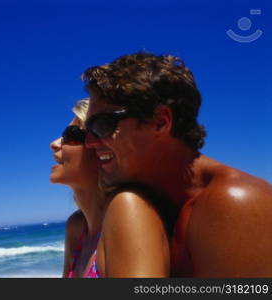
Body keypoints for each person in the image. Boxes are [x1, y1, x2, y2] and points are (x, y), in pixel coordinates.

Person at [82, 52, 272, 277]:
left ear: (160, 122)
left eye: (101, 124)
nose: (89, 142)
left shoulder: (235, 202)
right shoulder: (158, 204)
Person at [50, 99, 170, 277]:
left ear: (100, 147)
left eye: (72, 134)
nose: (54, 143)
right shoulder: (77, 226)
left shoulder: (130, 209)